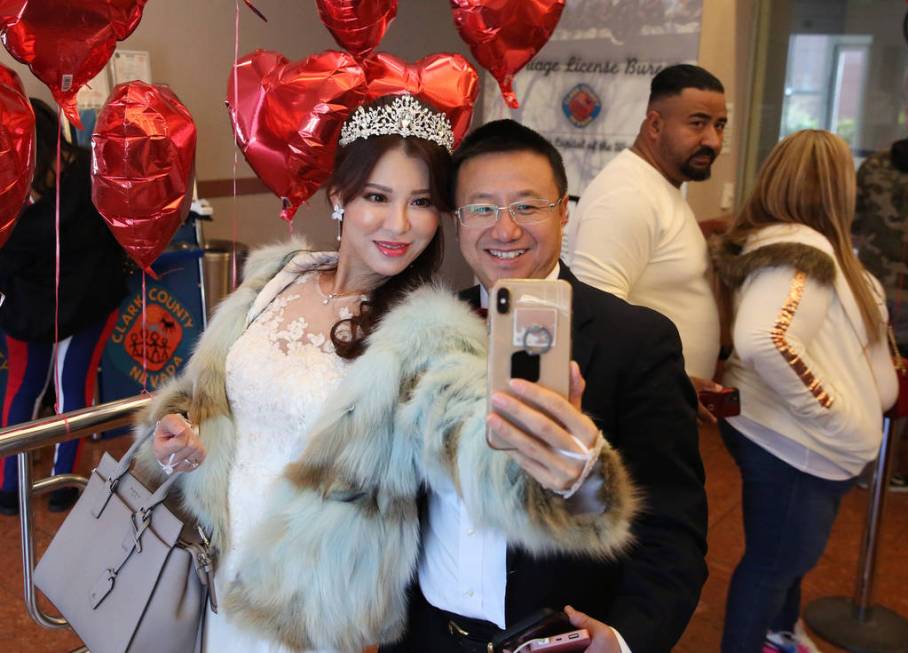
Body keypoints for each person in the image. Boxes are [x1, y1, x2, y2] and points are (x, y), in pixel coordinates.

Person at [134, 94, 639, 653]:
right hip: (205, 569)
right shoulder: (274, 278)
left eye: (421, 201)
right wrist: (173, 432)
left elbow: (478, 457)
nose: (400, 223)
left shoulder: (428, 334)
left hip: (304, 616)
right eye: (378, 196)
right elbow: (203, 398)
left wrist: (574, 466)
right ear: (338, 197)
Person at [382, 119, 708, 653]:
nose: (505, 230)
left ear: (564, 212)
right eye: (482, 209)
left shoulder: (635, 342)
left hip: (554, 640)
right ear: (458, 222)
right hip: (424, 637)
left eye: (528, 206)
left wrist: (627, 641)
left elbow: (670, 528)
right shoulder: (426, 330)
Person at [710, 130, 898, 653]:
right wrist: (832, 415)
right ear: (841, 188)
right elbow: (764, 341)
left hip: (795, 441)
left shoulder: (798, 247)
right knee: (774, 564)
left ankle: (779, 632)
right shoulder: (801, 250)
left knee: (785, 560)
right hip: (795, 445)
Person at [565, 64, 727, 423]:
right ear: (655, 125)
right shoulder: (627, 194)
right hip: (642, 407)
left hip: (661, 401)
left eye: (719, 125)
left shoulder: (657, 186)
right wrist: (674, 383)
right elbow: (595, 318)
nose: (714, 140)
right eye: (698, 123)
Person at [0, 98, 127, 515]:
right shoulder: (91, 172)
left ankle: (38, 487)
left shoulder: (29, 182)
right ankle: (54, 486)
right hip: (69, 300)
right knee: (57, 390)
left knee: (43, 390)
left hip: (69, 301)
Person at [852, 102, 908, 493]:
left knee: (864, 371)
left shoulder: (876, 164)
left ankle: (854, 456)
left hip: (867, 287)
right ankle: (881, 468)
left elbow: (851, 221)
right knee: (904, 379)